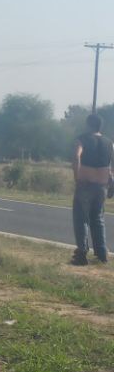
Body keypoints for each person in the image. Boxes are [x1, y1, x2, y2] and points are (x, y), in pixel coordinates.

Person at [71, 113, 113, 265]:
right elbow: (111, 164)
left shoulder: (82, 139)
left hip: (85, 184)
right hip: (102, 186)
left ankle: (81, 253)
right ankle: (102, 253)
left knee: (81, 218)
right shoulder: (109, 143)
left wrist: (77, 177)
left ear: (88, 125)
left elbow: (76, 157)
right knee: (98, 218)